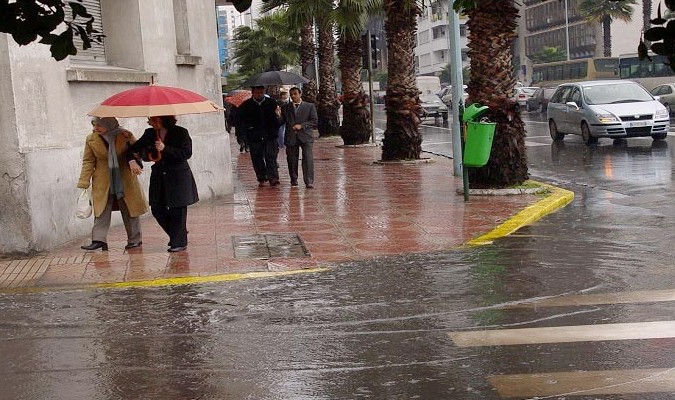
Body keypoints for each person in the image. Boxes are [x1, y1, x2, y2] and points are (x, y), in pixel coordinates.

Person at [128, 115, 199, 252]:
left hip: (177, 175)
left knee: (177, 209)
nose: (149, 122)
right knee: (156, 207)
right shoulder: (149, 133)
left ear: (162, 119)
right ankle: (179, 234)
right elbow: (134, 149)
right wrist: (132, 160)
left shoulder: (180, 132)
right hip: (159, 175)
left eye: (152, 119)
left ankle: (179, 242)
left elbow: (186, 153)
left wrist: (165, 148)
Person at [77, 117, 148, 251]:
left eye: (99, 125)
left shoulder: (125, 135)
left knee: (129, 208)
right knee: (101, 209)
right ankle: (98, 240)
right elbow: (88, 161)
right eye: (94, 125)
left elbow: (138, 151)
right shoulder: (91, 139)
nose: (95, 128)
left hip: (124, 177)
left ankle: (134, 239)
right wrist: (84, 181)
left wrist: (133, 158)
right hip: (103, 180)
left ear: (109, 125)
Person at [237, 85, 282, 186]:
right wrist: (245, 133)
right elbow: (240, 121)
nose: (259, 94)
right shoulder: (246, 105)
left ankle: (273, 177)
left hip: (270, 135)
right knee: (257, 157)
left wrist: (278, 117)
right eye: (257, 92)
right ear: (252, 93)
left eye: (261, 92)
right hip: (254, 136)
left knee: (271, 156)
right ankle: (261, 177)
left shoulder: (271, 103)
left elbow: (278, 121)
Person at [276, 87, 318, 188]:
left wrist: (302, 125)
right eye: (291, 94)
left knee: (307, 158)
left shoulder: (309, 106)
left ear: (300, 94)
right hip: (291, 137)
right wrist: (278, 116)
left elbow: (314, 121)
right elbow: (281, 122)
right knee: (292, 159)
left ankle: (309, 181)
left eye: (295, 94)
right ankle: (294, 179)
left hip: (306, 136)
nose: (293, 96)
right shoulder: (286, 107)